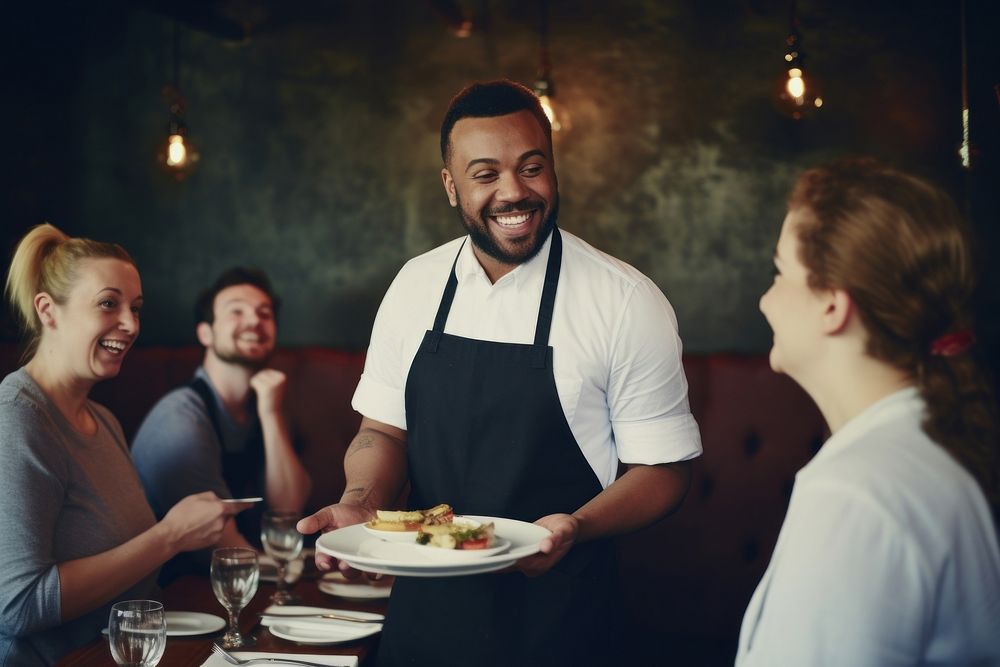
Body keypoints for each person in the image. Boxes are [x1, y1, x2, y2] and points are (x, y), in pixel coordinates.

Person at [298, 80, 702, 667]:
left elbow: (664, 471)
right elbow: (382, 432)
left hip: (561, 624)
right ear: (450, 185)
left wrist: (574, 527)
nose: (514, 192)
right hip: (424, 625)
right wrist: (363, 502)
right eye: (485, 174)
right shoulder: (415, 286)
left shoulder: (625, 300)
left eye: (532, 167)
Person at [737, 158, 1000, 665]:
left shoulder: (856, 497)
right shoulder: (936, 440)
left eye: (780, 272)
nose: (767, 300)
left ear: (833, 305)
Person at [0, 224, 246, 666]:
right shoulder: (18, 418)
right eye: (108, 304)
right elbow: (18, 606)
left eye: (135, 308)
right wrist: (170, 536)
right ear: (48, 311)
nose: (131, 325)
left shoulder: (104, 421)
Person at [131, 267, 311, 582]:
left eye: (264, 313)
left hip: (233, 580)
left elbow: (288, 512)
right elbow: (221, 548)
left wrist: (272, 415)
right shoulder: (180, 419)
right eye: (236, 311)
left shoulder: (266, 404)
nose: (255, 321)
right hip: (179, 592)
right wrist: (290, 574)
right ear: (206, 333)